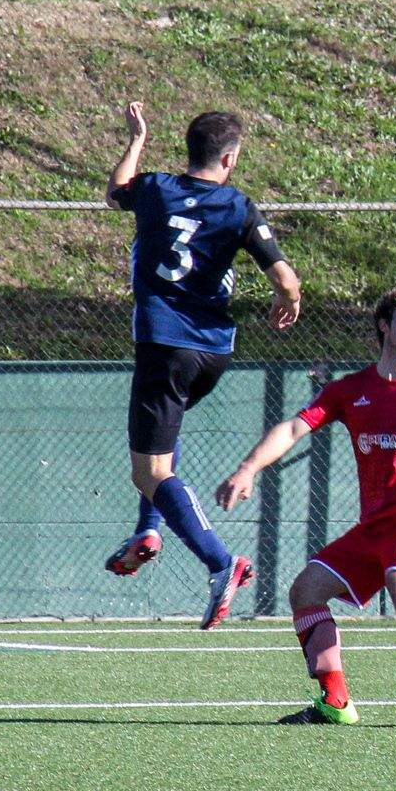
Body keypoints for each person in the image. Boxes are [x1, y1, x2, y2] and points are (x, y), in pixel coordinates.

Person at [217, 284, 396, 727]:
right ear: (384, 325)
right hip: (375, 526)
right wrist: (248, 468)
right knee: (305, 591)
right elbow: (292, 429)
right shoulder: (351, 390)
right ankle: (335, 701)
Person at [104, 102, 301, 628]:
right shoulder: (238, 206)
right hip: (214, 352)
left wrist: (137, 139)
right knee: (162, 449)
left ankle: (220, 563)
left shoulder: (154, 189)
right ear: (230, 158)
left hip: (163, 346)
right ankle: (149, 528)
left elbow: (114, 189)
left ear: (190, 151)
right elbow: (284, 277)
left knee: (148, 471)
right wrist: (288, 299)